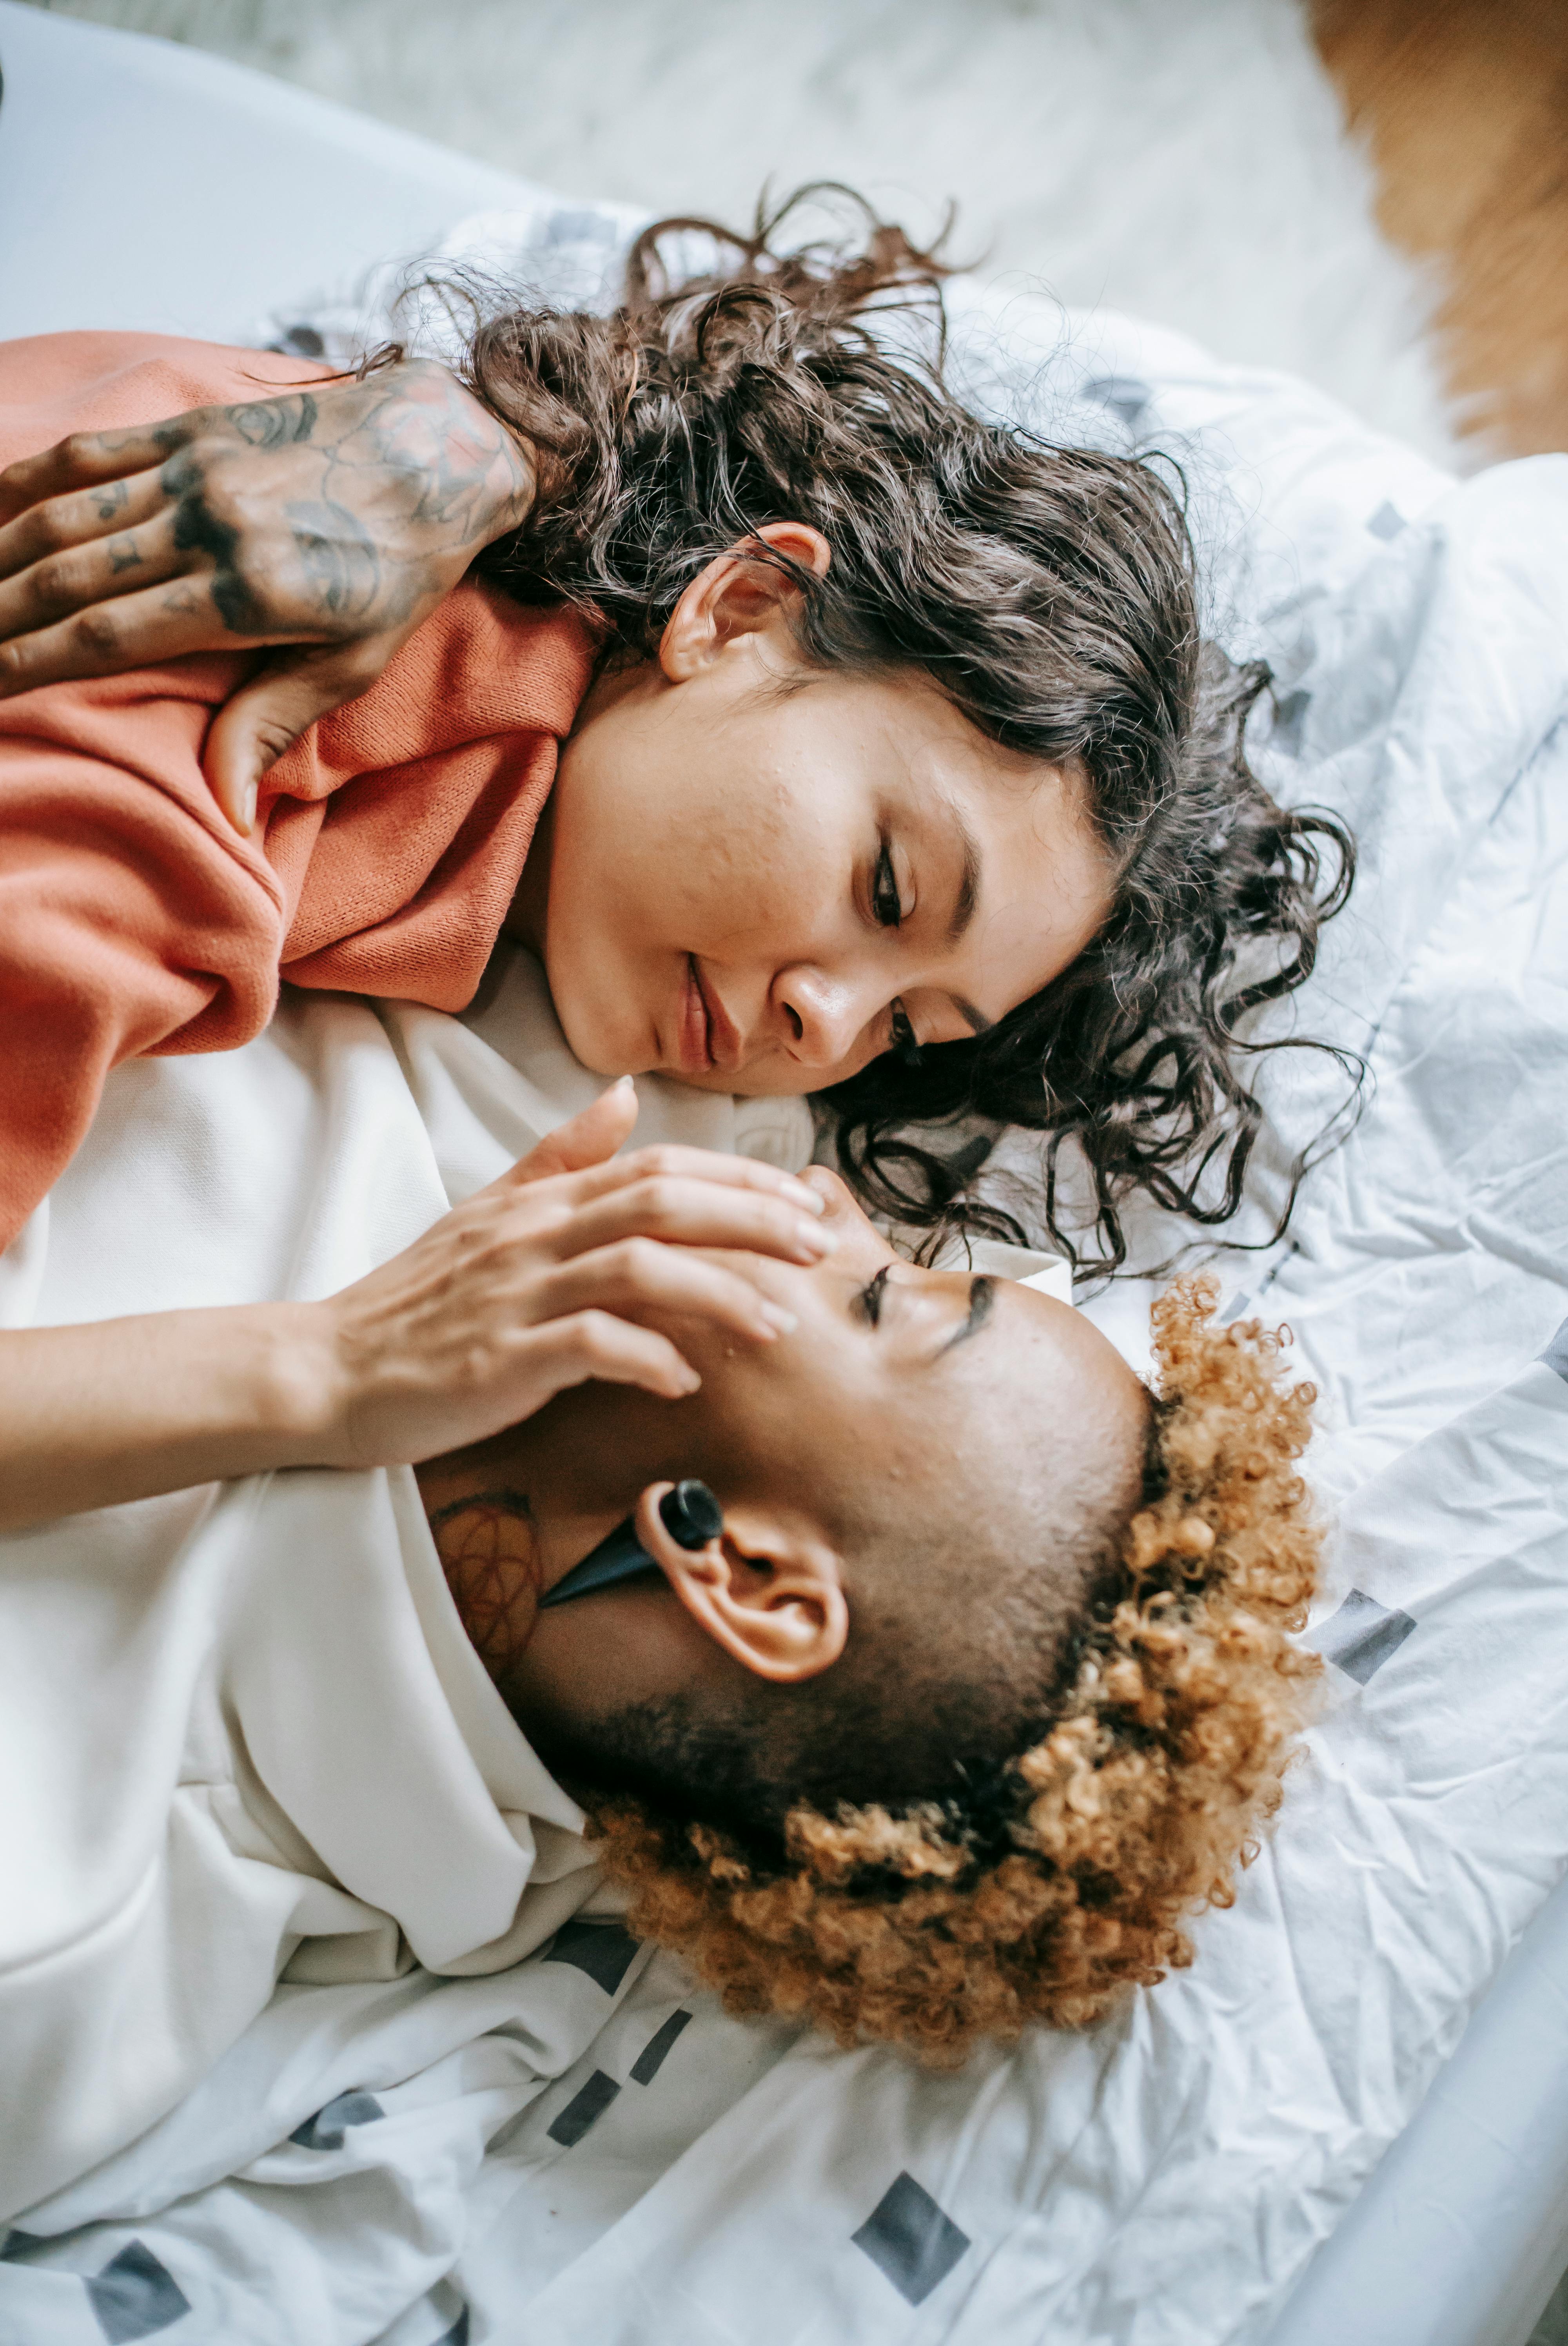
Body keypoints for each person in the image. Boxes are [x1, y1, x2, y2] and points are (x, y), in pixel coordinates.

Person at [0, 198, 1352, 1525]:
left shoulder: (442, 526)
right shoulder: (220, 740)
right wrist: (333, 1370)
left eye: (906, 1025)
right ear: (743, 605)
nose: (825, 1022)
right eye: (887, 889)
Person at [0, 1076, 1321, 2219]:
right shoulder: (626, 1103)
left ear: (743, 1572)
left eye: (877, 1295)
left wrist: (322, 1372)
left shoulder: (74, 1917)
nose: (825, 1192)